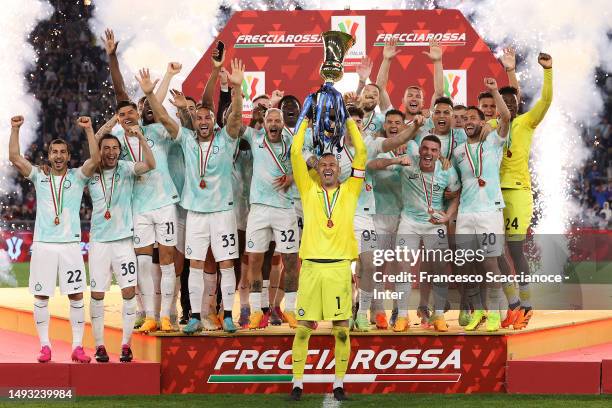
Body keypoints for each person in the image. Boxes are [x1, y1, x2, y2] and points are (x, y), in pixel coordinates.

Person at [136, 60, 245, 333]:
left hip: (222, 212)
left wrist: (238, 89)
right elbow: (162, 116)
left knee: (226, 263)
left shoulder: (226, 138)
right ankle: (195, 316)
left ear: (212, 121)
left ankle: (228, 315)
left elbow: (234, 117)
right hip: (195, 212)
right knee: (195, 265)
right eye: (199, 118)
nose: (204, 121)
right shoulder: (185, 138)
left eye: (208, 117)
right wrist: (150, 93)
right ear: (194, 121)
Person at [9, 115, 100, 363]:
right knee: (41, 296)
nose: (58, 156)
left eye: (62, 152)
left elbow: (96, 159)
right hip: (44, 245)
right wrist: (15, 128)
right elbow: (15, 158)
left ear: (68, 156)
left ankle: (78, 347)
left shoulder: (77, 177)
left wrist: (90, 130)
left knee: (77, 296)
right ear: (48, 156)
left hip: (70, 246)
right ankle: (45, 346)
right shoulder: (40, 176)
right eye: (54, 152)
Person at [289, 113, 366, 401]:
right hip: (310, 269)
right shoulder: (308, 189)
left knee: (342, 332)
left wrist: (348, 123)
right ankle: (297, 383)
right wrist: (305, 123)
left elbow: (363, 152)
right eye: (323, 164)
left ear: (340, 169)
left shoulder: (351, 190)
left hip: (338, 270)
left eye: (333, 164)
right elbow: (296, 152)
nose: (329, 167)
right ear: (317, 170)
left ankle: (338, 383)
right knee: (302, 331)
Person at [88, 123, 155, 363]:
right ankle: (99, 346)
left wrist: (141, 138)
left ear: (120, 151)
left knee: (128, 291)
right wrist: (108, 122)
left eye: (115, 148)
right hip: (99, 243)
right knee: (97, 294)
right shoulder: (91, 172)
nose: (111, 152)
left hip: (124, 242)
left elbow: (150, 165)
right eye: (106, 148)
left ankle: (126, 345)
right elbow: (92, 145)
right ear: (100, 150)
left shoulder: (126, 168)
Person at [496, 52, 553, 330]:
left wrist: (548, 71)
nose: (507, 104)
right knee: (494, 251)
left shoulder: (527, 122)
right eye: (502, 101)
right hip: (493, 196)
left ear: (518, 103)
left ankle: (527, 305)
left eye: (512, 100)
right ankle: (513, 304)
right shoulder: (492, 128)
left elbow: (545, 101)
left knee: (515, 248)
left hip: (517, 192)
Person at [452, 77, 511, 332]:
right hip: (466, 213)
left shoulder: (494, 143)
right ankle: (478, 311)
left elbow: (507, 117)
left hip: (489, 212)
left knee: (489, 264)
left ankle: (497, 313)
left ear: (482, 121)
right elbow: (455, 187)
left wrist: (494, 90)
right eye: (464, 120)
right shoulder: (456, 152)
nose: (468, 123)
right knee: (465, 266)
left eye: (473, 119)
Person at [395, 135, 461, 332]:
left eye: (434, 150)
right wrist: (395, 156)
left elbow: (456, 194)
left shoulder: (447, 170)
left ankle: (439, 315)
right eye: (425, 149)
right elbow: (376, 163)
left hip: (435, 225)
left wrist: (447, 216)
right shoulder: (407, 163)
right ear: (419, 150)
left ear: (439, 153)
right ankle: (401, 316)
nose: (429, 153)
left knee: (440, 268)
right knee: (403, 267)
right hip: (409, 223)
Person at [243, 108, 300, 329]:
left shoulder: (293, 142)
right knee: (255, 260)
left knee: (291, 260)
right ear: (264, 123)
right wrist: (236, 90)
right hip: (258, 209)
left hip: (284, 209)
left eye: (278, 120)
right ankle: (257, 311)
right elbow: (236, 123)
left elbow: (309, 165)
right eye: (270, 120)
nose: (274, 124)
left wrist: (293, 177)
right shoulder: (254, 137)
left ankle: (291, 310)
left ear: (283, 123)